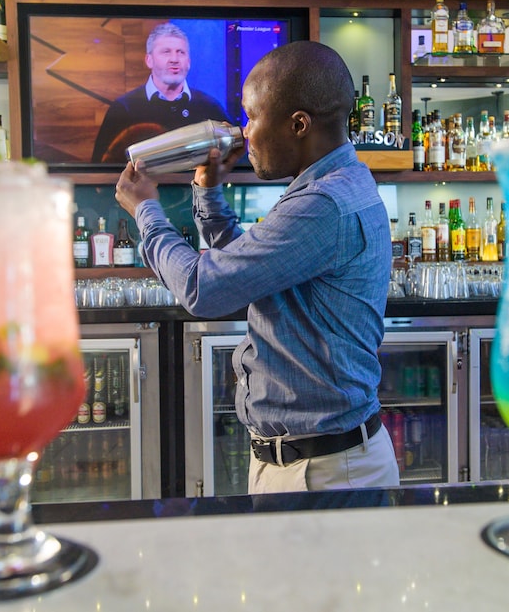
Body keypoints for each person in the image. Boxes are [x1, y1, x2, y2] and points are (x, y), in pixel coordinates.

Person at [115, 41, 399, 494]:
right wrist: (208, 192)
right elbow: (248, 271)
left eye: (251, 117)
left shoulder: (323, 203)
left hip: (321, 472)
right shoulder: (334, 185)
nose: (243, 132)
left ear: (299, 124)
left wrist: (145, 210)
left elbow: (203, 288)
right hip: (312, 462)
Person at [91, 21, 231, 164]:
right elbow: (101, 169)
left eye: (180, 52)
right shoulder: (123, 108)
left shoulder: (209, 106)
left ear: (188, 62)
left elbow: (235, 160)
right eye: (166, 52)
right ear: (149, 60)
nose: (174, 59)